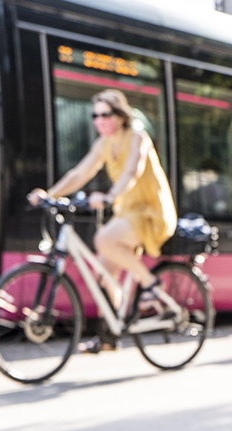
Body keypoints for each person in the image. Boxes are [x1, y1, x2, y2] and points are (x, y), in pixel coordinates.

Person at [28, 90, 179, 341]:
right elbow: (79, 174)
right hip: (127, 215)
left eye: (105, 114)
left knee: (103, 240)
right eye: (95, 116)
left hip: (151, 213)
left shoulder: (137, 138)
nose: (99, 120)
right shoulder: (103, 144)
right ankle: (110, 335)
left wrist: (109, 197)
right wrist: (49, 195)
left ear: (120, 115)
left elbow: (132, 171)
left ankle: (151, 283)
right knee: (103, 276)